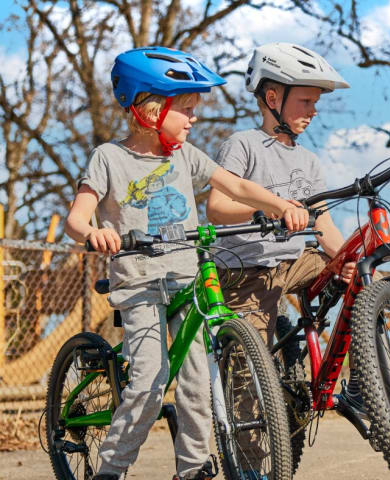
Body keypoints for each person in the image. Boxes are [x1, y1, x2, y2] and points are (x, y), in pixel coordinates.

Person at [64, 46, 308, 480]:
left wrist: (277, 204)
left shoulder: (185, 155)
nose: (193, 119)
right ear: (151, 109)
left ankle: (193, 467)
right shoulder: (109, 158)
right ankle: (111, 469)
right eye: (187, 110)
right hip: (140, 285)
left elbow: (234, 184)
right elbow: (76, 219)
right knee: (150, 383)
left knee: (197, 380)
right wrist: (94, 232)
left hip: (185, 281)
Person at [206, 42, 363, 412]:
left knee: (367, 277)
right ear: (273, 97)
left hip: (295, 262)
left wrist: (346, 259)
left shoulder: (309, 161)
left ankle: (361, 385)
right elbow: (217, 207)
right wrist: (269, 210)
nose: (313, 111)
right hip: (247, 269)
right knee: (248, 373)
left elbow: (322, 223)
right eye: (306, 102)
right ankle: (254, 467)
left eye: (315, 103)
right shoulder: (242, 145)